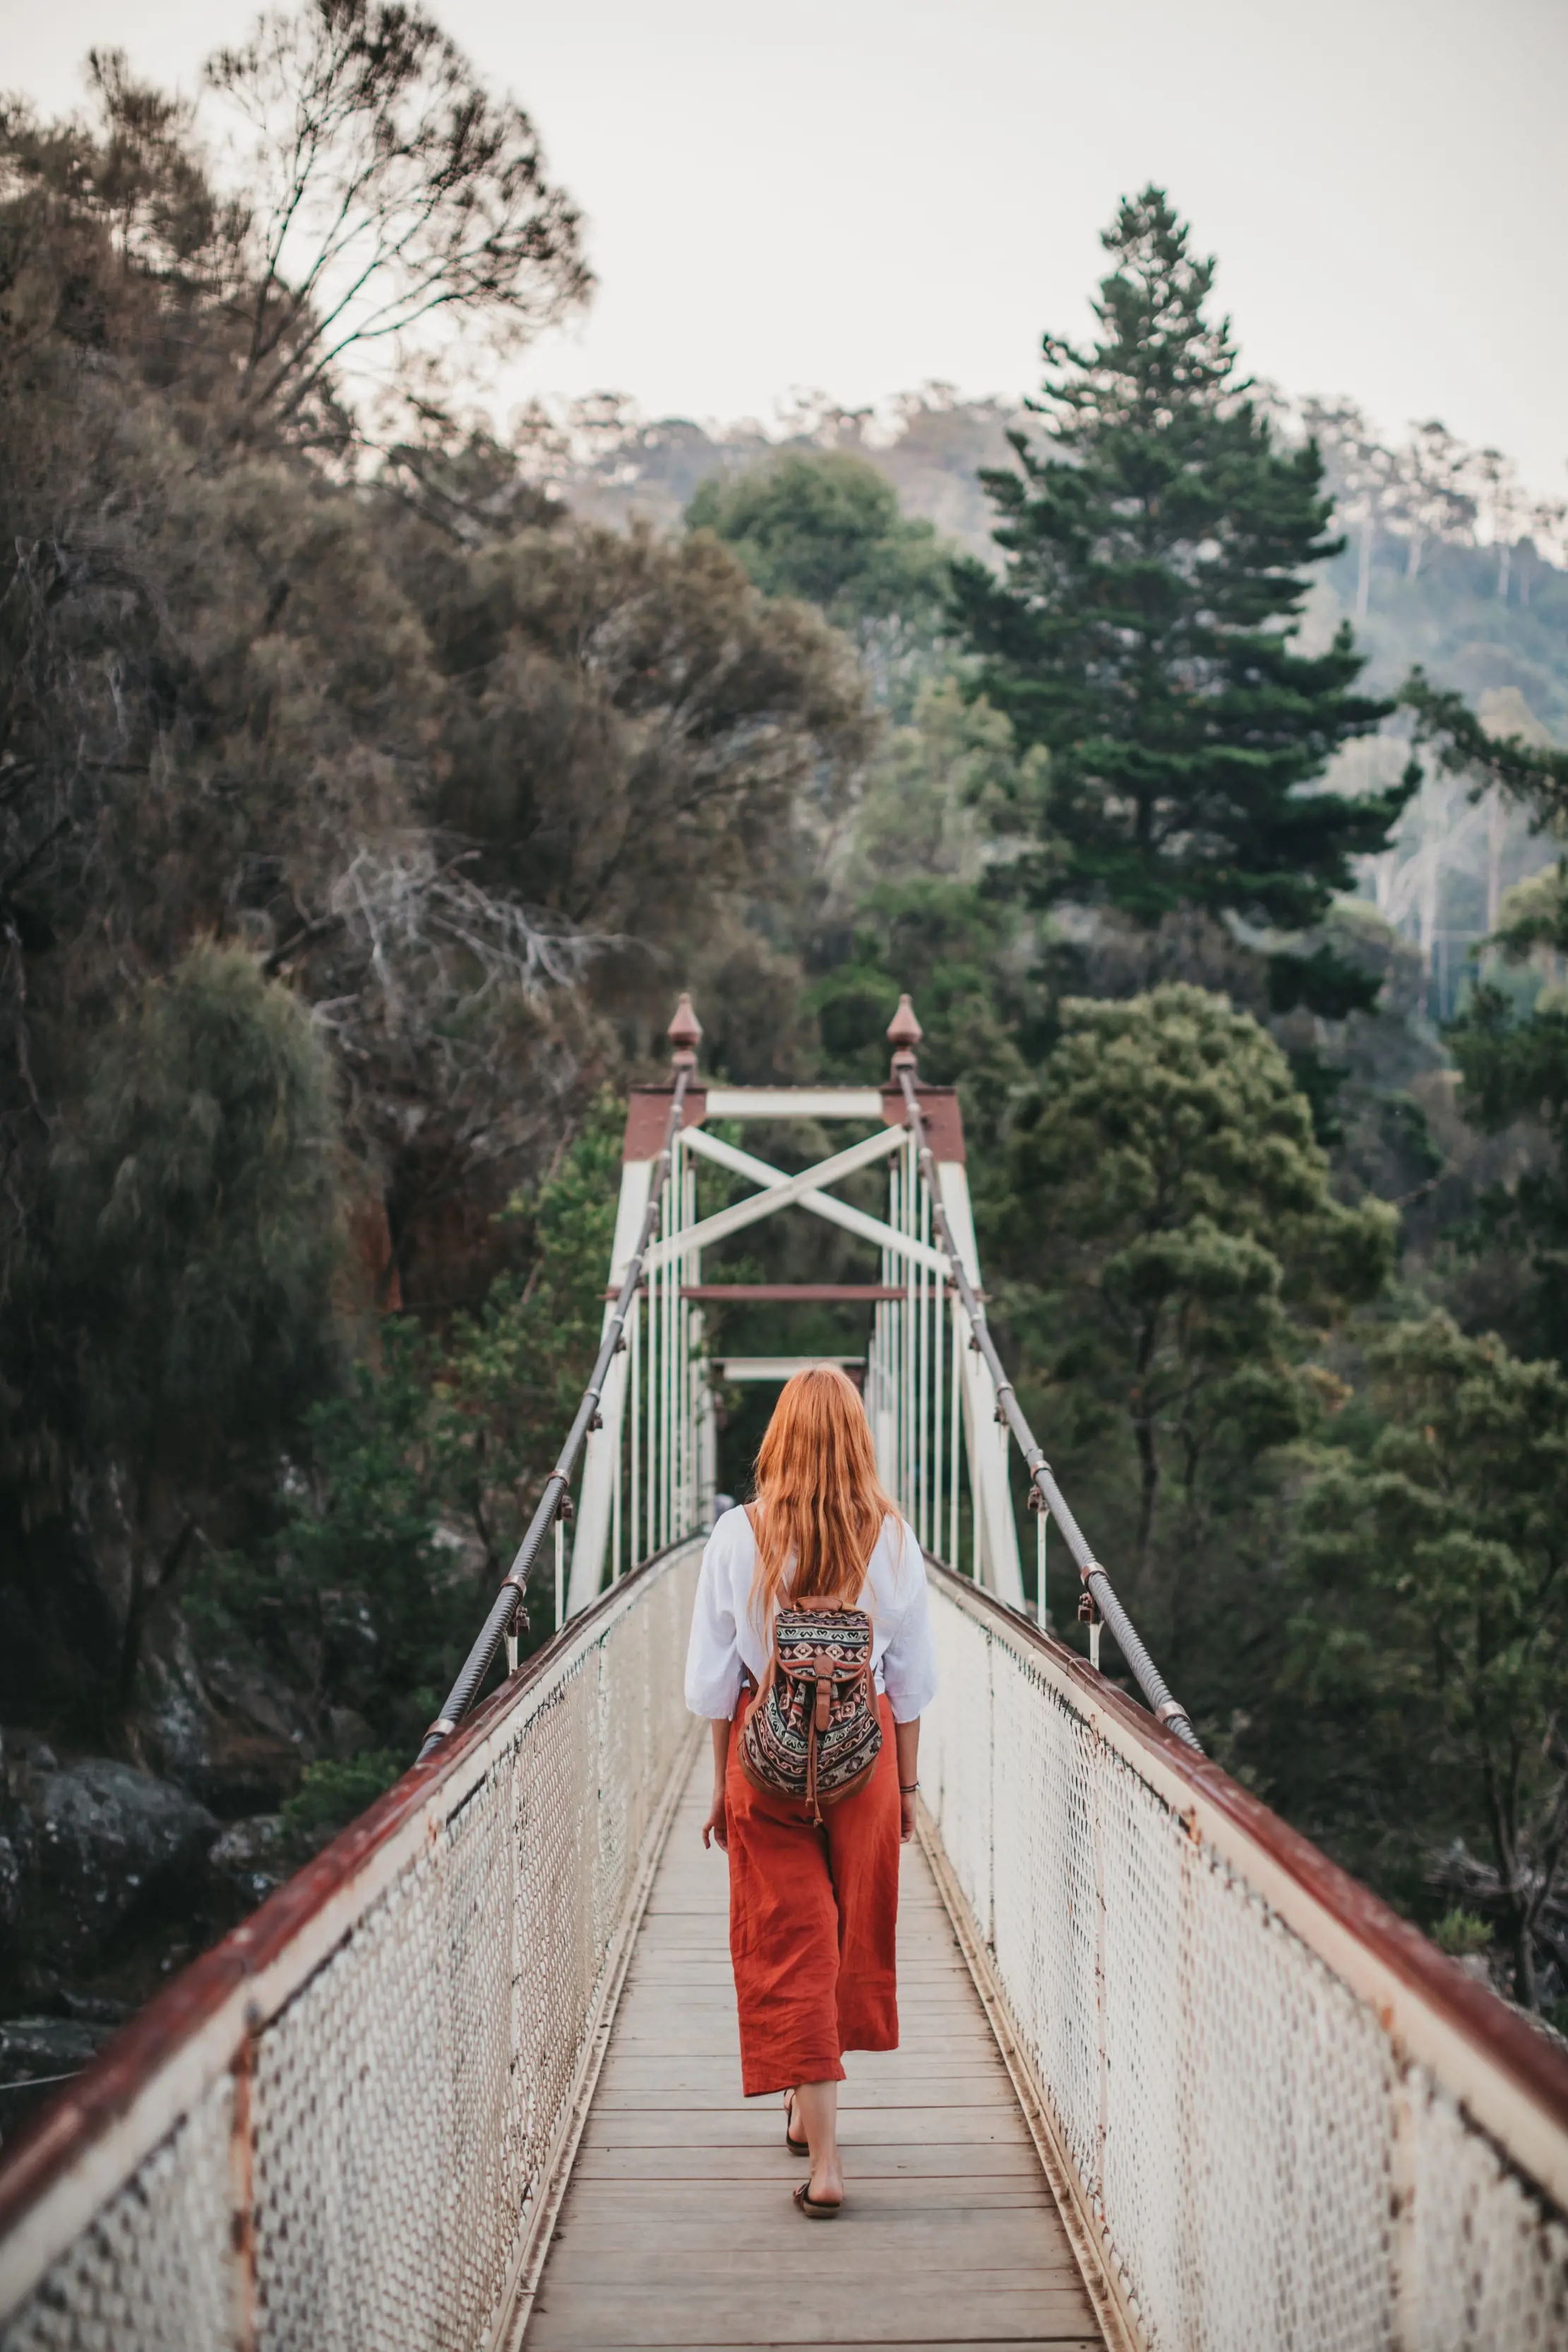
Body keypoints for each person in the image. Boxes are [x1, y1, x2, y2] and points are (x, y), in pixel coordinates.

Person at [684, 1363, 937, 2218]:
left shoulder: (737, 1535)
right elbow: (910, 1679)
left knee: (794, 1940)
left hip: (765, 1761)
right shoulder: (893, 1539)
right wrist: (906, 1788)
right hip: (863, 1765)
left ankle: (820, 2156)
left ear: (779, 1436)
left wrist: (720, 1785)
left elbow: (715, 1681)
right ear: (859, 1438)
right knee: (843, 1932)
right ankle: (814, 2119)